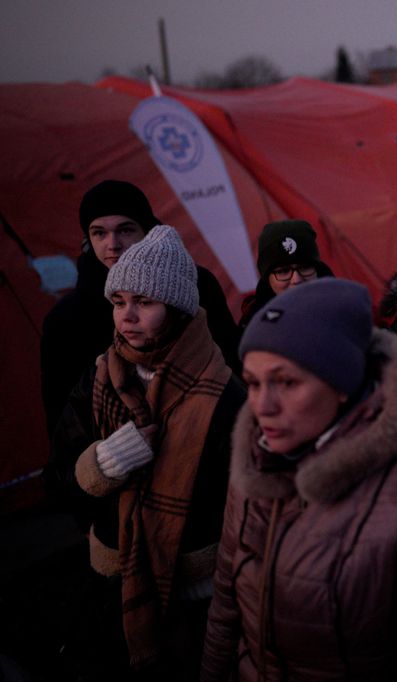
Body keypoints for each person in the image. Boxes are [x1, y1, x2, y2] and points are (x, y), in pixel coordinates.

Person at [202, 278, 397, 680]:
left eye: (287, 382)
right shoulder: (258, 459)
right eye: (253, 383)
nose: (262, 407)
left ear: (341, 383)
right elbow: (226, 605)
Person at [46, 226, 245, 679]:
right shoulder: (98, 379)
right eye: (118, 302)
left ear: (175, 308)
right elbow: (58, 479)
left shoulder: (223, 392)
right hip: (113, 579)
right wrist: (102, 463)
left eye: (144, 303)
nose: (127, 316)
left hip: (198, 591)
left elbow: (244, 498)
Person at [41, 180, 240, 433]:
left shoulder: (194, 285)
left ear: (146, 230)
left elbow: (231, 361)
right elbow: (61, 419)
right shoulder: (67, 319)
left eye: (125, 230)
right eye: (99, 233)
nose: (112, 244)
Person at [237, 219, 334, 329]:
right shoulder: (253, 328)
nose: (296, 280)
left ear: (317, 270)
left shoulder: (346, 310)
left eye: (305, 267)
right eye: (283, 271)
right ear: (267, 279)